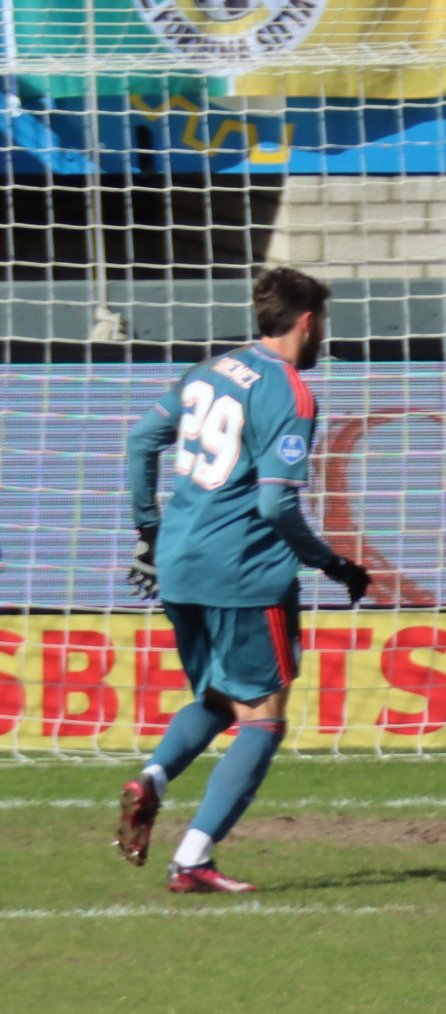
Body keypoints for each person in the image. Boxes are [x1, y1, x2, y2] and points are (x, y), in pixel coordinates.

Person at [113, 271, 374, 897]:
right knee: (263, 715)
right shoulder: (291, 394)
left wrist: (149, 533)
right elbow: (275, 509)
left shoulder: (214, 369)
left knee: (218, 696)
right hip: (245, 574)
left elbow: (140, 439)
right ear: (308, 320)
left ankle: (152, 777)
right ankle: (193, 858)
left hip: (179, 566)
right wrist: (333, 564)